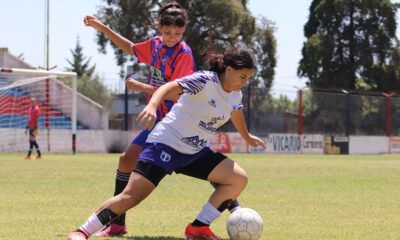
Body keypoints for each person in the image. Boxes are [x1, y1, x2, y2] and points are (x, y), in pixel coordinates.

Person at [67, 46, 267, 240]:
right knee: (132, 197)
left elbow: (236, 111)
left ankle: (199, 227)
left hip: (194, 152)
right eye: (243, 77)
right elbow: (169, 86)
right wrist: (153, 105)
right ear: (229, 69)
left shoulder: (235, 94)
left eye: (248, 78)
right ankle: (82, 231)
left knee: (238, 178)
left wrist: (247, 136)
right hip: (165, 143)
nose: (245, 82)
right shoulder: (205, 80)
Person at [83, 2, 240, 236]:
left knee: (213, 172)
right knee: (126, 160)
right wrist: (103, 28)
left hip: (179, 121)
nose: (172, 37)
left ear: (184, 29)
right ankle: (117, 224)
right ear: (159, 27)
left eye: (178, 33)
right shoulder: (155, 44)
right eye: (167, 32)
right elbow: (130, 47)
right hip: (160, 121)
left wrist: (140, 87)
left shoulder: (183, 54)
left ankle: (239, 215)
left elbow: (177, 91)